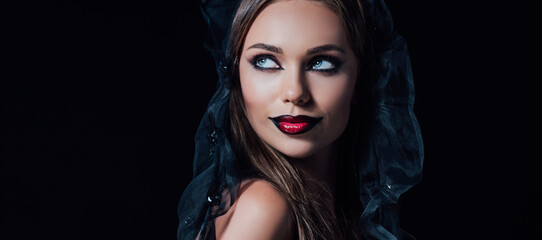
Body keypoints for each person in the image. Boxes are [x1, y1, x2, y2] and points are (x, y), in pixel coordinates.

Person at [177, 0, 423, 239]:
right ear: (236, 76)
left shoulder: (342, 210)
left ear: (360, 80)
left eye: (322, 63)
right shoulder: (263, 209)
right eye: (265, 61)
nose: (295, 93)